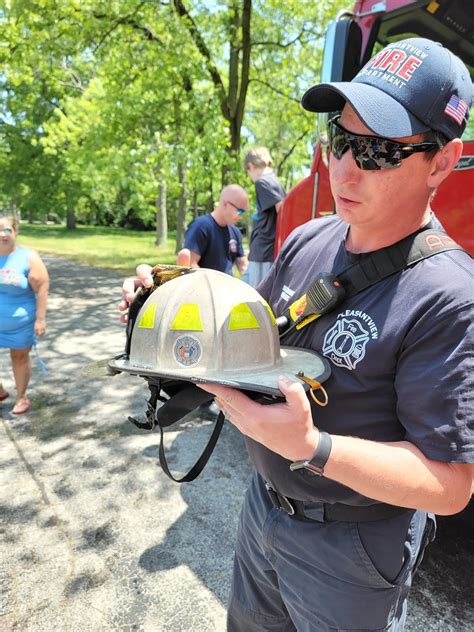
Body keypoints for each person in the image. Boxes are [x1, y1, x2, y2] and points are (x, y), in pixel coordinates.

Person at [122, 38, 473, 631]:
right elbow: (247, 345)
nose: (344, 167)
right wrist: (171, 308)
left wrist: (312, 446)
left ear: (441, 161)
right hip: (263, 511)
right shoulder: (310, 238)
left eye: (378, 150)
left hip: (353, 548)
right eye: (340, 139)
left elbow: (449, 485)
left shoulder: (450, 295)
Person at [0, 214, 49, 415]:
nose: (2, 234)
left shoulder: (27, 256)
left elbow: (42, 286)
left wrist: (40, 319)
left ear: (15, 232)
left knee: (19, 357)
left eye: (6, 230)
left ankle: (22, 397)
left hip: (19, 323)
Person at [175, 184, 248, 277]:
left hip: (227, 288)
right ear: (225, 204)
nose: (241, 216)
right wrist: (213, 284)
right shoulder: (201, 226)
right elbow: (190, 264)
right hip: (203, 287)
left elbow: (243, 265)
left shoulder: (235, 232)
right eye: (239, 211)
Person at [244, 147, 286, 288]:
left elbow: (282, 209)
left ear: (250, 166)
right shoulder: (275, 181)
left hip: (263, 249)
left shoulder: (262, 182)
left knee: (257, 296)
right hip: (266, 248)